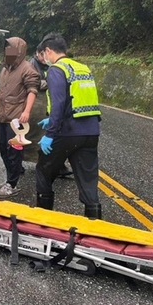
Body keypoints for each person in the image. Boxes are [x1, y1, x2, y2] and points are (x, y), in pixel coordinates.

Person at [34, 33, 102, 219]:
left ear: (48, 51)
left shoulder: (57, 70)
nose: (44, 59)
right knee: (87, 180)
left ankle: (43, 219)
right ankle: (94, 224)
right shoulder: (82, 68)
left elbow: (59, 103)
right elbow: (78, 99)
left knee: (43, 170)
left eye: (43, 54)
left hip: (68, 132)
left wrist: (50, 132)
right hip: (91, 131)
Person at [0, 37, 40, 198]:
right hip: (3, 117)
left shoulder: (28, 69)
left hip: (17, 120)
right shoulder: (6, 69)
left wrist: (26, 111)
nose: (8, 53)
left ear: (19, 51)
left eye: (11, 49)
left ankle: (12, 184)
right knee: (4, 150)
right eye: (7, 50)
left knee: (15, 152)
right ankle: (9, 180)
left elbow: (32, 91)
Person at [27, 46, 74, 177]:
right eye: (42, 55)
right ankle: (44, 166)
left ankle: (56, 166)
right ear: (37, 54)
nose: (44, 59)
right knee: (38, 135)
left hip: (50, 103)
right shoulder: (32, 65)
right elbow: (33, 83)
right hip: (39, 104)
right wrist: (52, 81)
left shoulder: (53, 65)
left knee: (53, 134)